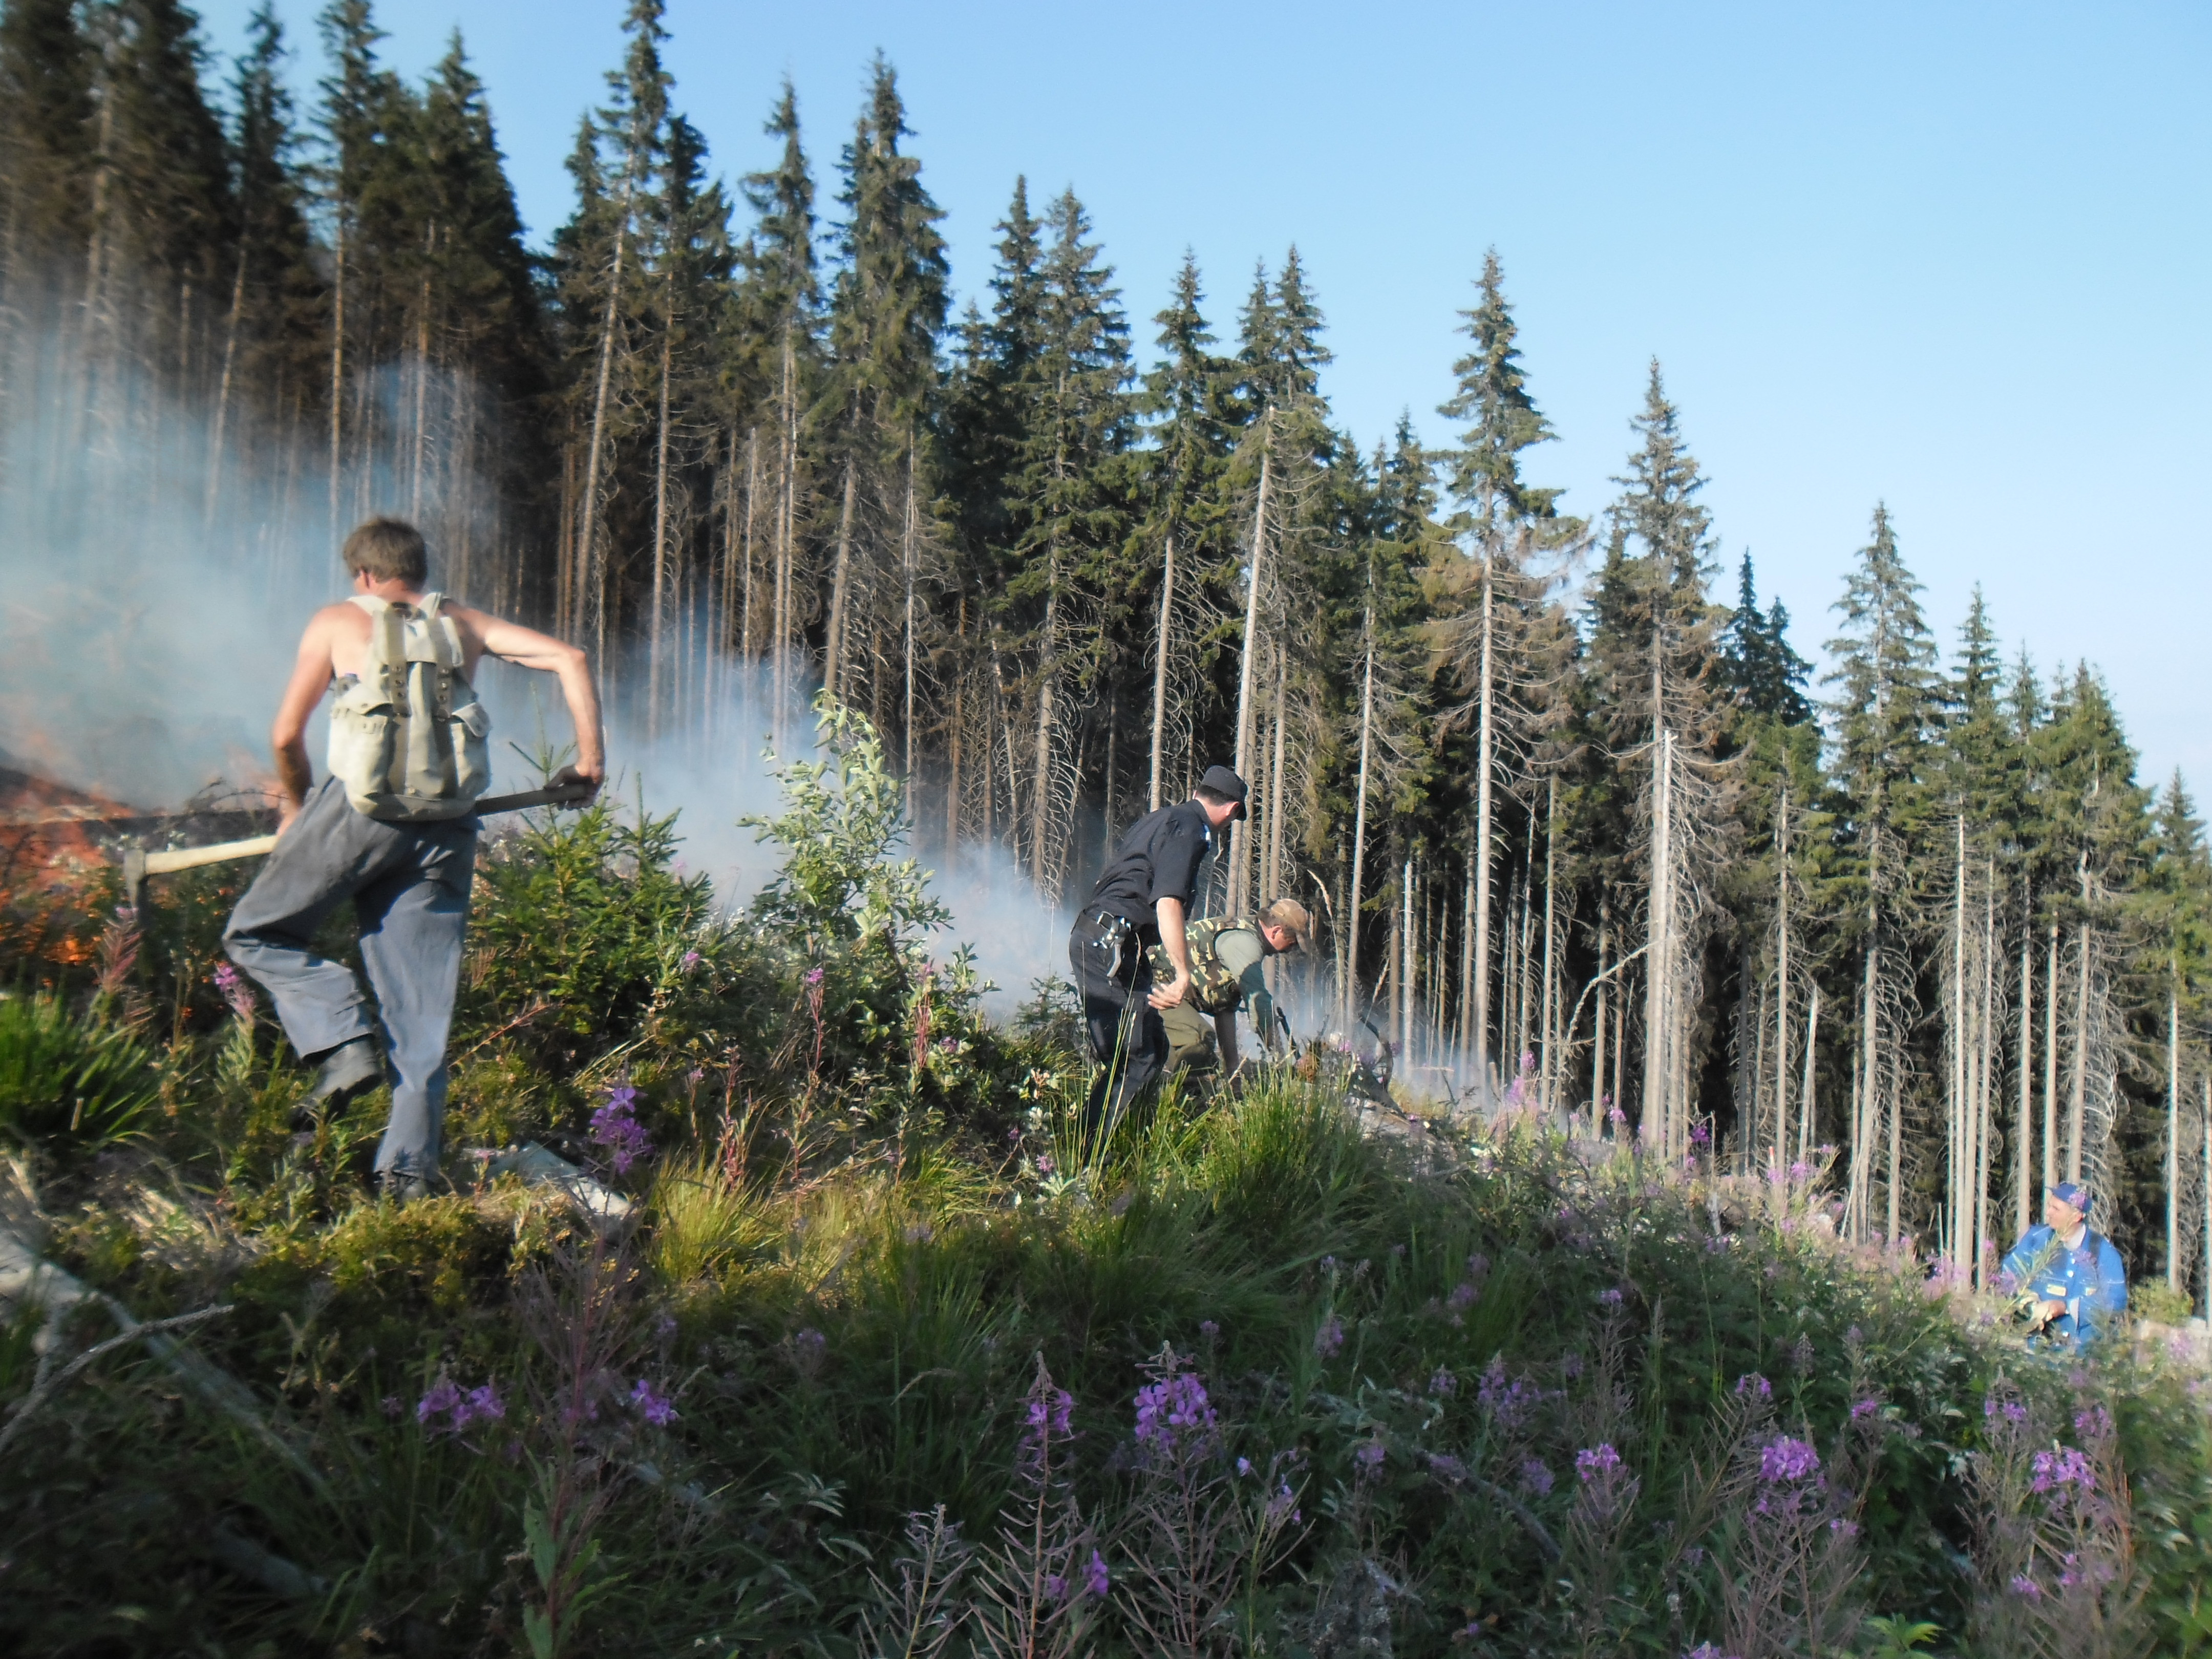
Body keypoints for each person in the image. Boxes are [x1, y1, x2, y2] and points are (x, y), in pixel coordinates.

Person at [223, 518, 604, 1201]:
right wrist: (590, 763)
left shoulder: (338, 621)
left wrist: (293, 808)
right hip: (446, 828)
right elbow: (570, 658)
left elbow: (286, 734)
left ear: (365, 576)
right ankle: (406, 1183)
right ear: (420, 573)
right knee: (421, 1019)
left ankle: (342, 1045)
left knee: (256, 932)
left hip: (357, 814)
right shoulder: (463, 623)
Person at [1069, 766, 1248, 1132]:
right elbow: (1168, 902)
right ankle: (1086, 1161)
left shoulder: (1161, 818)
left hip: (1111, 943)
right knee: (1137, 1057)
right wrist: (1183, 974)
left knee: (1153, 1045)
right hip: (1112, 946)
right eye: (1233, 818)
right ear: (1231, 810)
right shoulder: (1193, 831)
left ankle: (1114, 1140)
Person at [1147, 897, 1311, 1077]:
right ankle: (1166, 1089)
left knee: (1209, 1061)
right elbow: (1259, 1003)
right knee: (1198, 1041)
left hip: (1168, 991)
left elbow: (1224, 1009)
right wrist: (1284, 1060)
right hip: (1152, 986)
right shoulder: (1245, 944)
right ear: (1276, 931)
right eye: (1293, 942)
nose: (1292, 949)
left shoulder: (1247, 938)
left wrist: (1232, 1072)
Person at [1999, 1182, 2128, 1346]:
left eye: (2056, 1209)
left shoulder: (2102, 1252)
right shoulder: (2036, 1239)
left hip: (2085, 1355)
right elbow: (2009, 1273)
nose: (2048, 1213)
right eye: (2049, 1206)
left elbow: (2116, 1300)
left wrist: (2065, 1306)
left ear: (2076, 1216)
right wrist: (2028, 1301)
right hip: (2037, 1351)